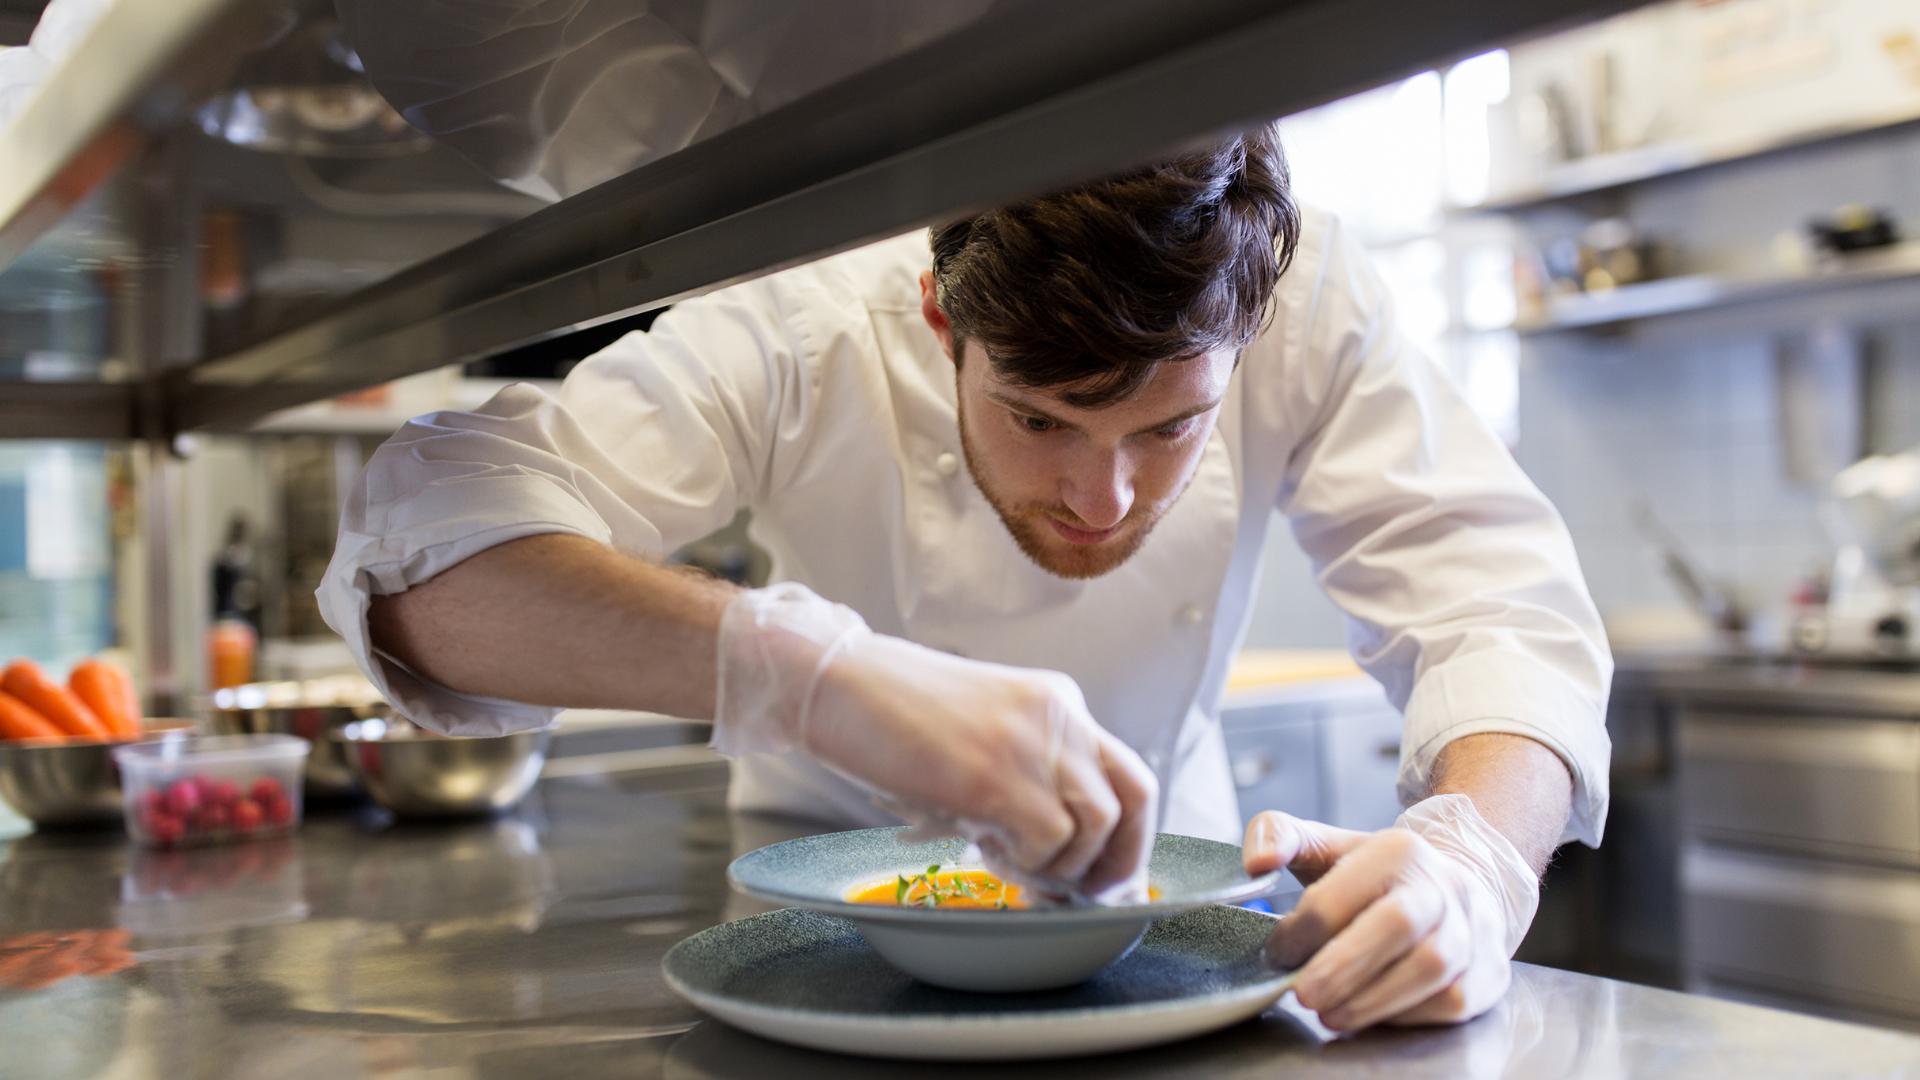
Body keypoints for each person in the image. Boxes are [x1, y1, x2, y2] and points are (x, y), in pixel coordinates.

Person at [318, 127, 1611, 1032]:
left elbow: (1498, 602)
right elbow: (422, 559)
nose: (1105, 502)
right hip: (816, 924)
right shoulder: (812, 315)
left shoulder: (1302, 293)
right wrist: (818, 680)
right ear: (946, 321)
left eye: (1169, 430)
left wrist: (1478, 856)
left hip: (1178, 913)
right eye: (1043, 419)